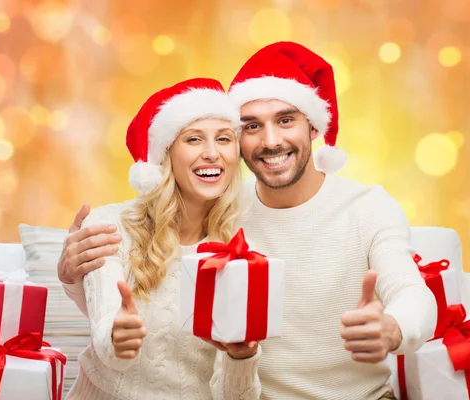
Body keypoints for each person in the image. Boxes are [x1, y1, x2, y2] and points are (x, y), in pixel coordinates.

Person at [60, 43, 437, 400]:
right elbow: (144, 283)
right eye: (252, 126)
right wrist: (72, 276)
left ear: (314, 128)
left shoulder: (366, 207)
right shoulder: (220, 211)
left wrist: (394, 328)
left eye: (286, 120)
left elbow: (411, 291)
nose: (270, 141)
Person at [63, 78, 262, 399]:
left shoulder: (241, 250)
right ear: (166, 154)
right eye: (194, 139)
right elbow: (106, 338)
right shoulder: (110, 225)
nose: (212, 153)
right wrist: (118, 338)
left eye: (224, 139)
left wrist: (242, 357)